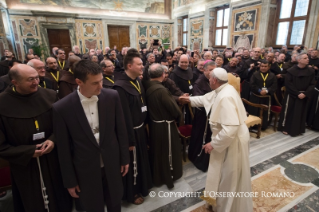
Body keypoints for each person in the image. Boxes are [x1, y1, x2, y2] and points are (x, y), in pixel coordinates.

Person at [53, 60, 129, 212]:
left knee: (115, 203)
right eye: (95, 83)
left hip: (112, 163)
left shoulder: (112, 96)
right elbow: (63, 148)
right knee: (93, 207)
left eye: (101, 80)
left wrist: (124, 158)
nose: (101, 86)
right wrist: (70, 180)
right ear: (79, 82)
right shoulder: (61, 108)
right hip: (85, 170)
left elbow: (121, 130)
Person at [0, 64, 72, 211]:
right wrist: (28, 152)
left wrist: (53, 140)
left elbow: (62, 125)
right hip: (25, 164)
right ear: (15, 82)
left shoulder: (50, 95)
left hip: (52, 158)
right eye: (30, 79)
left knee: (59, 197)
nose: (36, 82)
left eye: (37, 78)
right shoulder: (2, 103)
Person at [181, 67, 252, 212]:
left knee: (229, 176)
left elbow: (230, 129)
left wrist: (213, 144)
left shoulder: (225, 96)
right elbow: (207, 98)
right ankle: (219, 201)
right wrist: (188, 99)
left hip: (233, 141)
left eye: (209, 79)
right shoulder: (224, 89)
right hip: (230, 138)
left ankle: (227, 207)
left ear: (214, 80)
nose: (208, 82)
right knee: (223, 174)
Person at [113, 48, 152, 205]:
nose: (143, 66)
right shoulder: (120, 88)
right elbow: (122, 118)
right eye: (140, 64)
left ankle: (143, 186)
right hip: (130, 133)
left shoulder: (137, 81)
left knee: (141, 160)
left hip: (140, 129)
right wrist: (129, 140)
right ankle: (132, 193)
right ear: (129, 66)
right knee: (132, 163)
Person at [146, 64, 182, 189]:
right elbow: (174, 109)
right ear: (163, 74)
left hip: (154, 125)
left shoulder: (147, 86)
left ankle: (158, 176)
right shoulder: (161, 90)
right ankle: (170, 175)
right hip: (165, 126)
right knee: (167, 152)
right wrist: (179, 117)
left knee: (158, 152)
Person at [278, 53, 315, 136]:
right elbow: (288, 84)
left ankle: (298, 129)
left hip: (304, 95)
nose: (308, 59)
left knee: (300, 112)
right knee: (289, 112)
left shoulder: (311, 71)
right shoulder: (291, 70)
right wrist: (297, 93)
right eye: (305, 58)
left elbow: (312, 84)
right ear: (299, 60)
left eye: (307, 58)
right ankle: (286, 128)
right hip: (292, 95)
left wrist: (305, 93)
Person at [188, 61, 215, 172]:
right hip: (203, 116)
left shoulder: (215, 80)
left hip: (213, 115)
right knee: (200, 136)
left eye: (214, 70)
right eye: (210, 70)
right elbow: (199, 100)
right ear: (204, 70)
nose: (212, 72)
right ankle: (198, 158)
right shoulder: (199, 82)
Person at [248, 61, 277, 129]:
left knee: (265, 113)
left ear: (269, 67)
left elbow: (274, 86)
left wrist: (267, 91)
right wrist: (259, 90)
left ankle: (263, 125)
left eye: (265, 66)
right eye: (262, 66)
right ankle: (253, 125)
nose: (263, 68)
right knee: (254, 111)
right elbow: (252, 84)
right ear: (260, 66)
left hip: (266, 98)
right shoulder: (255, 74)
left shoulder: (272, 76)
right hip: (256, 96)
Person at [169, 54, 194, 124]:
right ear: (178, 61)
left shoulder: (189, 70)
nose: (184, 64)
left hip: (190, 98)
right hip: (181, 100)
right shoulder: (174, 73)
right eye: (182, 62)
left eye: (186, 62)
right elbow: (173, 88)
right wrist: (182, 96)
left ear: (188, 62)